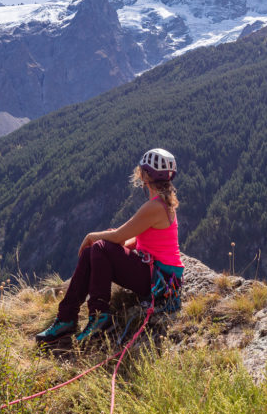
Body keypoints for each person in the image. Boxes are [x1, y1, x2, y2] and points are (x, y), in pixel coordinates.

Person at [35, 147, 184, 344]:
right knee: (94, 251)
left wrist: (92, 236)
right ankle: (66, 317)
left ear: (146, 175)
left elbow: (119, 235)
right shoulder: (162, 203)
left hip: (159, 280)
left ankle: (98, 318)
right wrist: (113, 245)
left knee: (99, 247)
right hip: (159, 275)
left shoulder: (154, 207)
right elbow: (139, 240)